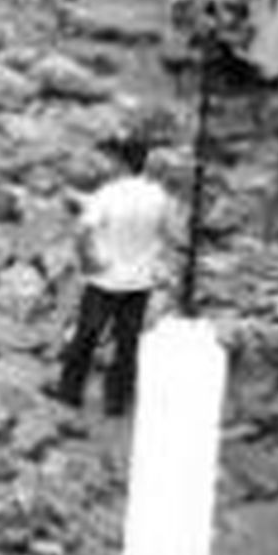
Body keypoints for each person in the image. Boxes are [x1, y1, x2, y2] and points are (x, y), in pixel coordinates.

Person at [55, 132, 177, 420]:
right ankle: (116, 402)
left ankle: (70, 393)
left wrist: (88, 262)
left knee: (86, 337)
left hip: (105, 279)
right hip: (139, 282)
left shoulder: (107, 194)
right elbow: (170, 234)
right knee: (127, 342)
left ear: (121, 162)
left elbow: (82, 232)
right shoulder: (158, 196)